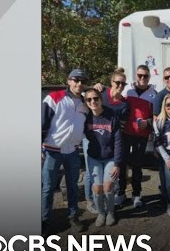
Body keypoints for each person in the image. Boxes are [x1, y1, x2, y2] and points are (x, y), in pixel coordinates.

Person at [41, 68, 89, 234]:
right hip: (52, 150)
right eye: (76, 80)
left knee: (72, 186)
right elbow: (42, 122)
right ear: (69, 81)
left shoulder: (85, 103)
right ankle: (44, 221)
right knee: (48, 188)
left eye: (82, 81)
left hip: (73, 151)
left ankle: (73, 217)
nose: (79, 83)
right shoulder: (54, 97)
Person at [83, 88, 122, 227]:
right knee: (97, 188)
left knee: (108, 185)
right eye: (89, 99)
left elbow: (118, 141)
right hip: (94, 157)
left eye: (95, 98)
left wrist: (117, 163)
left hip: (110, 157)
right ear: (86, 102)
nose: (93, 101)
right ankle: (101, 213)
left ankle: (110, 212)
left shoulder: (111, 115)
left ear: (101, 99)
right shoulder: (85, 116)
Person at [121, 65, 157, 208]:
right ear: (136, 76)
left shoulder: (154, 94)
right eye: (140, 75)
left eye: (145, 76)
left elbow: (157, 117)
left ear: (149, 77)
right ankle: (120, 193)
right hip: (125, 134)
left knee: (137, 167)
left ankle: (136, 195)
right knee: (122, 164)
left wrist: (147, 122)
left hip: (141, 136)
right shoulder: (127, 90)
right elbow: (115, 104)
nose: (142, 78)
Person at [100, 68, 130, 207]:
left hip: (116, 140)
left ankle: (120, 193)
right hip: (98, 139)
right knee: (96, 172)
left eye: (123, 84)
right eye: (117, 83)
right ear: (111, 82)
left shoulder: (124, 104)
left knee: (119, 167)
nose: (120, 86)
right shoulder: (101, 95)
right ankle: (94, 199)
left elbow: (121, 126)